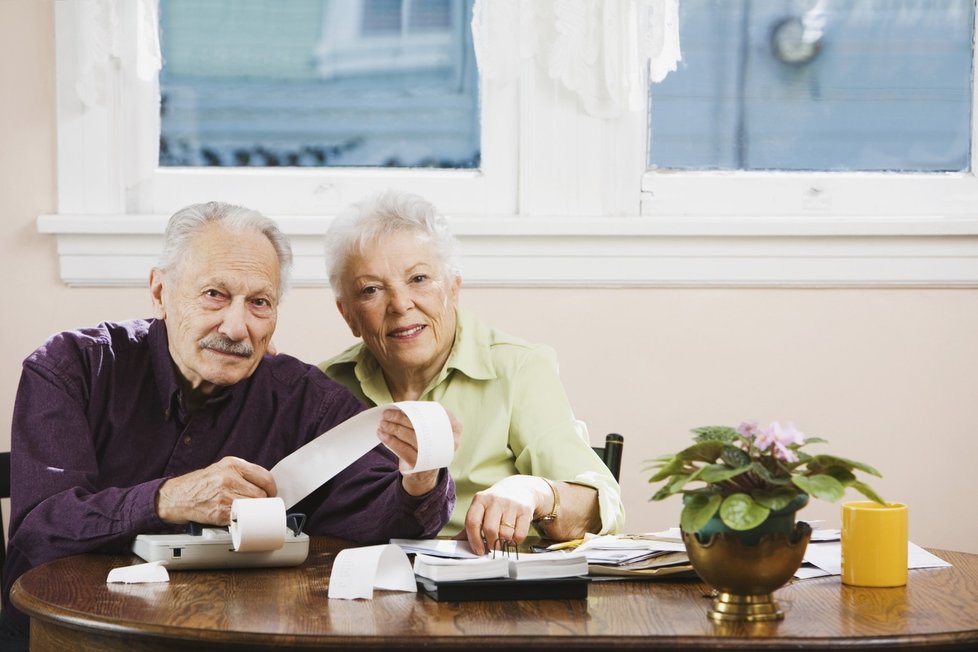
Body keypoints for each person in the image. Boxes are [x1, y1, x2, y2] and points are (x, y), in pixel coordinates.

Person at [0, 201, 458, 645]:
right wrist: (165, 499)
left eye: (259, 302)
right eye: (214, 295)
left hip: (245, 634)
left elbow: (380, 518)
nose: (236, 327)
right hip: (77, 634)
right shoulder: (73, 368)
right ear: (161, 292)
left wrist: (419, 482)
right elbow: (39, 533)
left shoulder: (306, 400)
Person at [319, 190, 625, 555]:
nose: (400, 305)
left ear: (453, 289)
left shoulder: (518, 368)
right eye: (371, 290)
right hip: (359, 590)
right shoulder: (324, 386)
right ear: (348, 314)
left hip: (490, 592)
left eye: (419, 279)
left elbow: (603, 508)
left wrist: (535, 492)